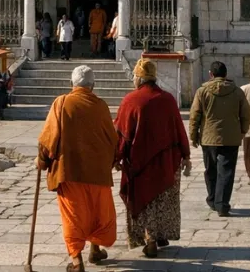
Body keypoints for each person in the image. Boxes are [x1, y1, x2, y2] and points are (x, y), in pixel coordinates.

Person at [37, 65, 119, 271]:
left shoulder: (62, 103)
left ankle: (77, 261)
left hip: (70, 170)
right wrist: (112, 160)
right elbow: (112, 138)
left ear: (71, 84)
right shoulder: (101, 105)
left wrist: (42, 160)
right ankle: (95, 248)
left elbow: (48, 138)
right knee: (96, 212)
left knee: (74, 215)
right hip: (98, 171)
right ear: (93, 86)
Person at [114, 58, 191, 259]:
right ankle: (160, 234)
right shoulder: (167, 99)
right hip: (167, 161)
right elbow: (179, 129)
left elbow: (121, 134)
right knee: (162, 199)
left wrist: (116, 157)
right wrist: (186, 155)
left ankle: (150, 240)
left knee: (145, 200)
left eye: (134, 77)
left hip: (139, 164)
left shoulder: (131, 100)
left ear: (139, 78)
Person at [189, 61, 250, 217]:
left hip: (208, 138)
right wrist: (242, 131)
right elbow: (246, 115)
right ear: (226, 74)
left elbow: (194, 116)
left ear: (211, 74)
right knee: (226, 171)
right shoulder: (237, 92)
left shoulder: (202, 91)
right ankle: (222, 204)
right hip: (230, 138)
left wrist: (193, 136)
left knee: (211, 170)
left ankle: (212, 200)